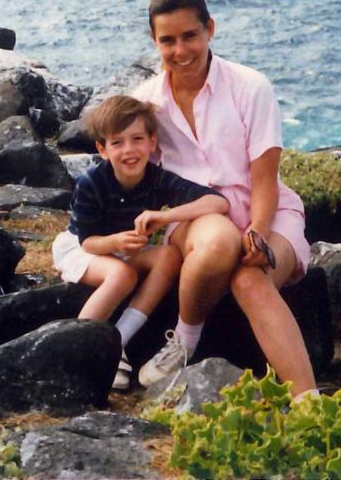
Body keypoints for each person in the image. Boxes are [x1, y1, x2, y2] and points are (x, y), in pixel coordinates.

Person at [132, 0, 317, 398]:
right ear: (155, 41)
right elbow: (129, 175)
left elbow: (265, 179)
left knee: (251, 280)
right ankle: (185, 339)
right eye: (168, 40)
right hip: (198, 219)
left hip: (266, 210)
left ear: (210, 29)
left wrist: (258, 231)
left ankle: (311, 406)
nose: (181, 50)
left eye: (190, 36)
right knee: (218, 243)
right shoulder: (146, 104)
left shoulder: (251, 87)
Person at [51, 94, 229, 390]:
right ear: (102, 149)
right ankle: (79, 345)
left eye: (137, 139)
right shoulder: (91, 183)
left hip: (123, 248)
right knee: (123, 275)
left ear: (152, 142)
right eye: (117, 142)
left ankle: (117, 340)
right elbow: (88, 243)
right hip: (87, 247)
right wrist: (116, 243)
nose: (129, 150)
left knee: (169, 257)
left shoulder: (157, 179)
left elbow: (217, 202)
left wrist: (165, 217)